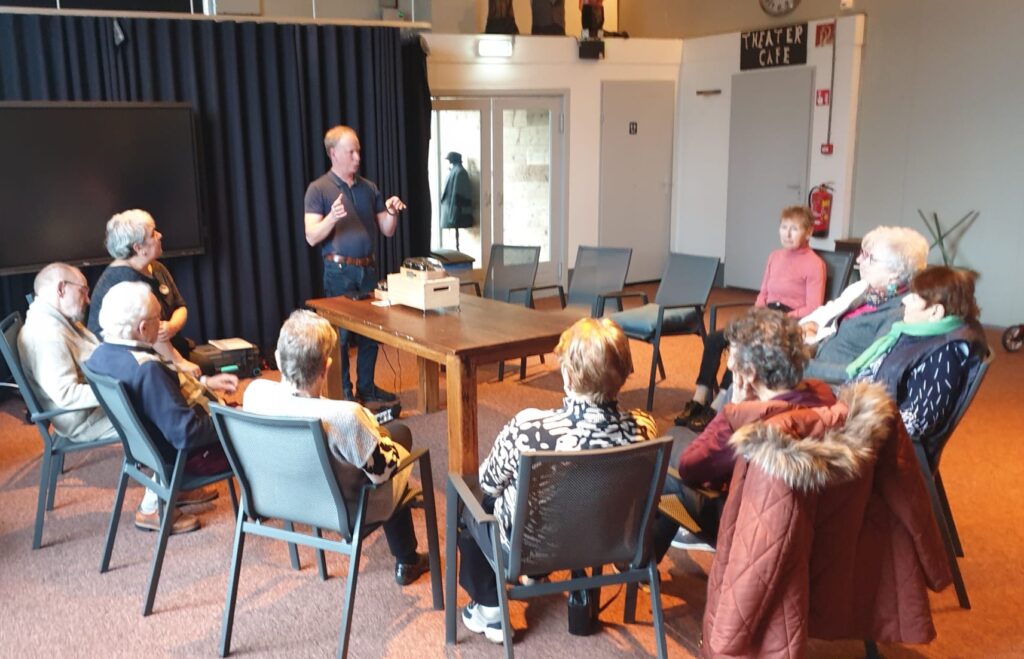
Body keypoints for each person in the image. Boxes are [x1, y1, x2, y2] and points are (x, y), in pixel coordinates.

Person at [458, 317, 657, 643]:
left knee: (469, 500)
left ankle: (491, 607)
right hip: (607, 540)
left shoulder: (529, 428)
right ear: (623, 373)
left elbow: (489, 483)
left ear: (567, 375)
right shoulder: (644, 428)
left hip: (530, 546)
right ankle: (535, 573)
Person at [242, 310, 430, 586]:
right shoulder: (346, 417)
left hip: (280, 495)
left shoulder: (254, 393)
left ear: (279, 359)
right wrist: (375, 436)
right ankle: (407, 559)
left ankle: (407, 557)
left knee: (393, 435)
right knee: (399, 437)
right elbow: (382, 475)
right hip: (340, 507)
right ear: (325, 368)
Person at [654, 308, 833, 558]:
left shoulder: (754, 424)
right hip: (808, 534)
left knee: (666, 454)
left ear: (749, 374)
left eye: (732, 358)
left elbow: (690, 468)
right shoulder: (824, 396)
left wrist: (733, 410)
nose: (728, 365)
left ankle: (643, 558)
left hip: (745, 532)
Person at [85, 282, 238, 534]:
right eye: (159, 318)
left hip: (148, 450)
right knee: (265, 435)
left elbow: (163, 394)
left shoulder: (101, 355)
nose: (163, 323)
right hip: (184, 458)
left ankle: (174, 492)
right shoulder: (147, 370)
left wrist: (204, 382)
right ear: (143, 328)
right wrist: (231, 418)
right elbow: (186, 434)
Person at [675, 206, 826, 431]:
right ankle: (700, 397)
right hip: (763, 315)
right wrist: (757, 315)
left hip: (785, 322)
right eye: (784, 227)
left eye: (794, 229)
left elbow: (813, 306)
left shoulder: (815, 264)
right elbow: (763, 292)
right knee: (715, 339)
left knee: (741, 346)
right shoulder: (774, 257)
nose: (787, 233)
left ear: (808, 232)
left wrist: (780, 318)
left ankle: (718, 405)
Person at [304, 125, 406, 404]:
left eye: (358, 150)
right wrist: (332, 218)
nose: (358, 157)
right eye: (351, 151)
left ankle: (367, 387)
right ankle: (344, 393)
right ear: (334, 153)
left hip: (368, 270)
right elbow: (311, 236)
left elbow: (387, 229)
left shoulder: (368, 188)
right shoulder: (318, 189)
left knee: (372, 334)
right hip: (339, 272)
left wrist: (392, 211)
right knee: (343, 336)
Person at [847, 265, 988, 454]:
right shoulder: (921, 332)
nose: (905, 300)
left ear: (935, 312)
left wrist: (856, 418)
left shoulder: (945, 354)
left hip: (881, 439)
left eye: (914, 297)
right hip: (860, 408)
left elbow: (919, 420)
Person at [800, 225, 930, 383]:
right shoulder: (868, 291)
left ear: (894, 273)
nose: (859, 260)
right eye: (863, 253)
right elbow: (834, 329)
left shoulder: (899, 312)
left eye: (870, 257)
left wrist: (802, 367)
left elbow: (865, 372)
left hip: (832, 386)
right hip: (814, 363)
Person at [87, 209, 200, 376]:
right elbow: (147, 334)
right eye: (153, 234)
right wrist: (180, 362)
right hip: (137, 363)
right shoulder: (123, 280)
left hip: (167, 347)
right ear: (139, 248)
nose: (160, 235)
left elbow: (180, 306)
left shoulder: (156, 268)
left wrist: (172, 326)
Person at [18, 263, 115, 443]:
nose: (88, 299)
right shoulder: (46, 335)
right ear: (61, 289)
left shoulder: (61, 319)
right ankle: (170, 466)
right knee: (162, 409)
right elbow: (67, 395)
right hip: (89, 421)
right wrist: (121, 391)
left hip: (98, 404)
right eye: (83, 291)